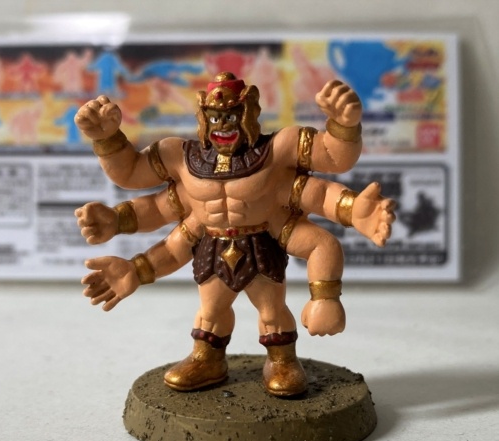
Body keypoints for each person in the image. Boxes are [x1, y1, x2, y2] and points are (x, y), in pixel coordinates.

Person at [74, 72, 395, 397]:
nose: (223, 126)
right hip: (211, 248)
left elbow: (330, 166)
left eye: (230, 116)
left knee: (272, 312)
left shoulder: (276, 153)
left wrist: (343, 126)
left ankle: (282, 361)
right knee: (210, 313)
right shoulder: (182, 160)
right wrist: (108, 143)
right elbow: (143, 190)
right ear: (203, 117)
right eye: (215, 117)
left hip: (262, 244)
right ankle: (207, 359)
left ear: (248, 114)